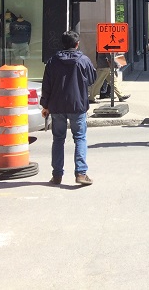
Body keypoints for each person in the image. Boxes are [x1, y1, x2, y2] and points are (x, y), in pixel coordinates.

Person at [40, 30, 97, 186]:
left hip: (56, 105)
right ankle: (80, 173)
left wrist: (45, 105)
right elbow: (92, 79)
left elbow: (46, 85)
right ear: (77, 44)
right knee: (80, 138)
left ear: (63, 44)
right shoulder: (83, 60)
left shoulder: (53, 61)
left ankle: (57, 175)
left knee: (58, 139)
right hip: (77, 104)